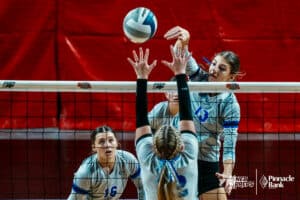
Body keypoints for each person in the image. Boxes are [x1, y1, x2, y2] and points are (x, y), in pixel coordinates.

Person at [149, 26, 242, 200]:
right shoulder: (198, 77)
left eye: (222, 68)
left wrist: (228, 173)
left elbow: (230, 143)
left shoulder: (230, 104)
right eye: (214, 64)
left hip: (207, 162)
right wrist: (185, 39)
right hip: (180, 155)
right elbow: (180, 54)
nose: (214, 69)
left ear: (231, 77)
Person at [127, 46, 198, 200]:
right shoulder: (190, 154)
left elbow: (141, 119)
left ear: (153, 147)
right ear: (182, 146)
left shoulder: (147, 159)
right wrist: (180, 73)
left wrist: (141, 76)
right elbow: (186, 115)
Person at [67, 125, 144, 200]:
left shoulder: (128, 160)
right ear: (94, 147)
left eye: (111, 140)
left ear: (116, 143)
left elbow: (143, 186)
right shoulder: (85, 172)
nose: (107, 145)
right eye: (101, 141)